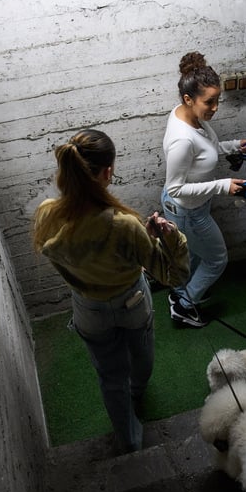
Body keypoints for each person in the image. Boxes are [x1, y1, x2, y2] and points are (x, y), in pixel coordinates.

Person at [32, 129, 189, 454]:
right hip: (132, 303)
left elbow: (76, 258)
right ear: (107, 173)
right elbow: (171, 274)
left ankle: (129, 439)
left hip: (88, 310)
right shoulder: (124, 225)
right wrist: (169, 237)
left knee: (109, 375)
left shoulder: (48, 214)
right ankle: (137, 393)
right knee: (141, 360)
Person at [161, 51, 246, 327]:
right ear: (188, 100)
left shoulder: (187, 116)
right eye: (209, 102)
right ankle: (183, 307)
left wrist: (234, 146)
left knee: (190, 254)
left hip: (190, 208)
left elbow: (206, 150)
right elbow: (175, 188)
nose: (215, 108)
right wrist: (223, 185)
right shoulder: (182, 139)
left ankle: (180, 293)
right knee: (216, 259)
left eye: (217, 101)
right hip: (185, 209)